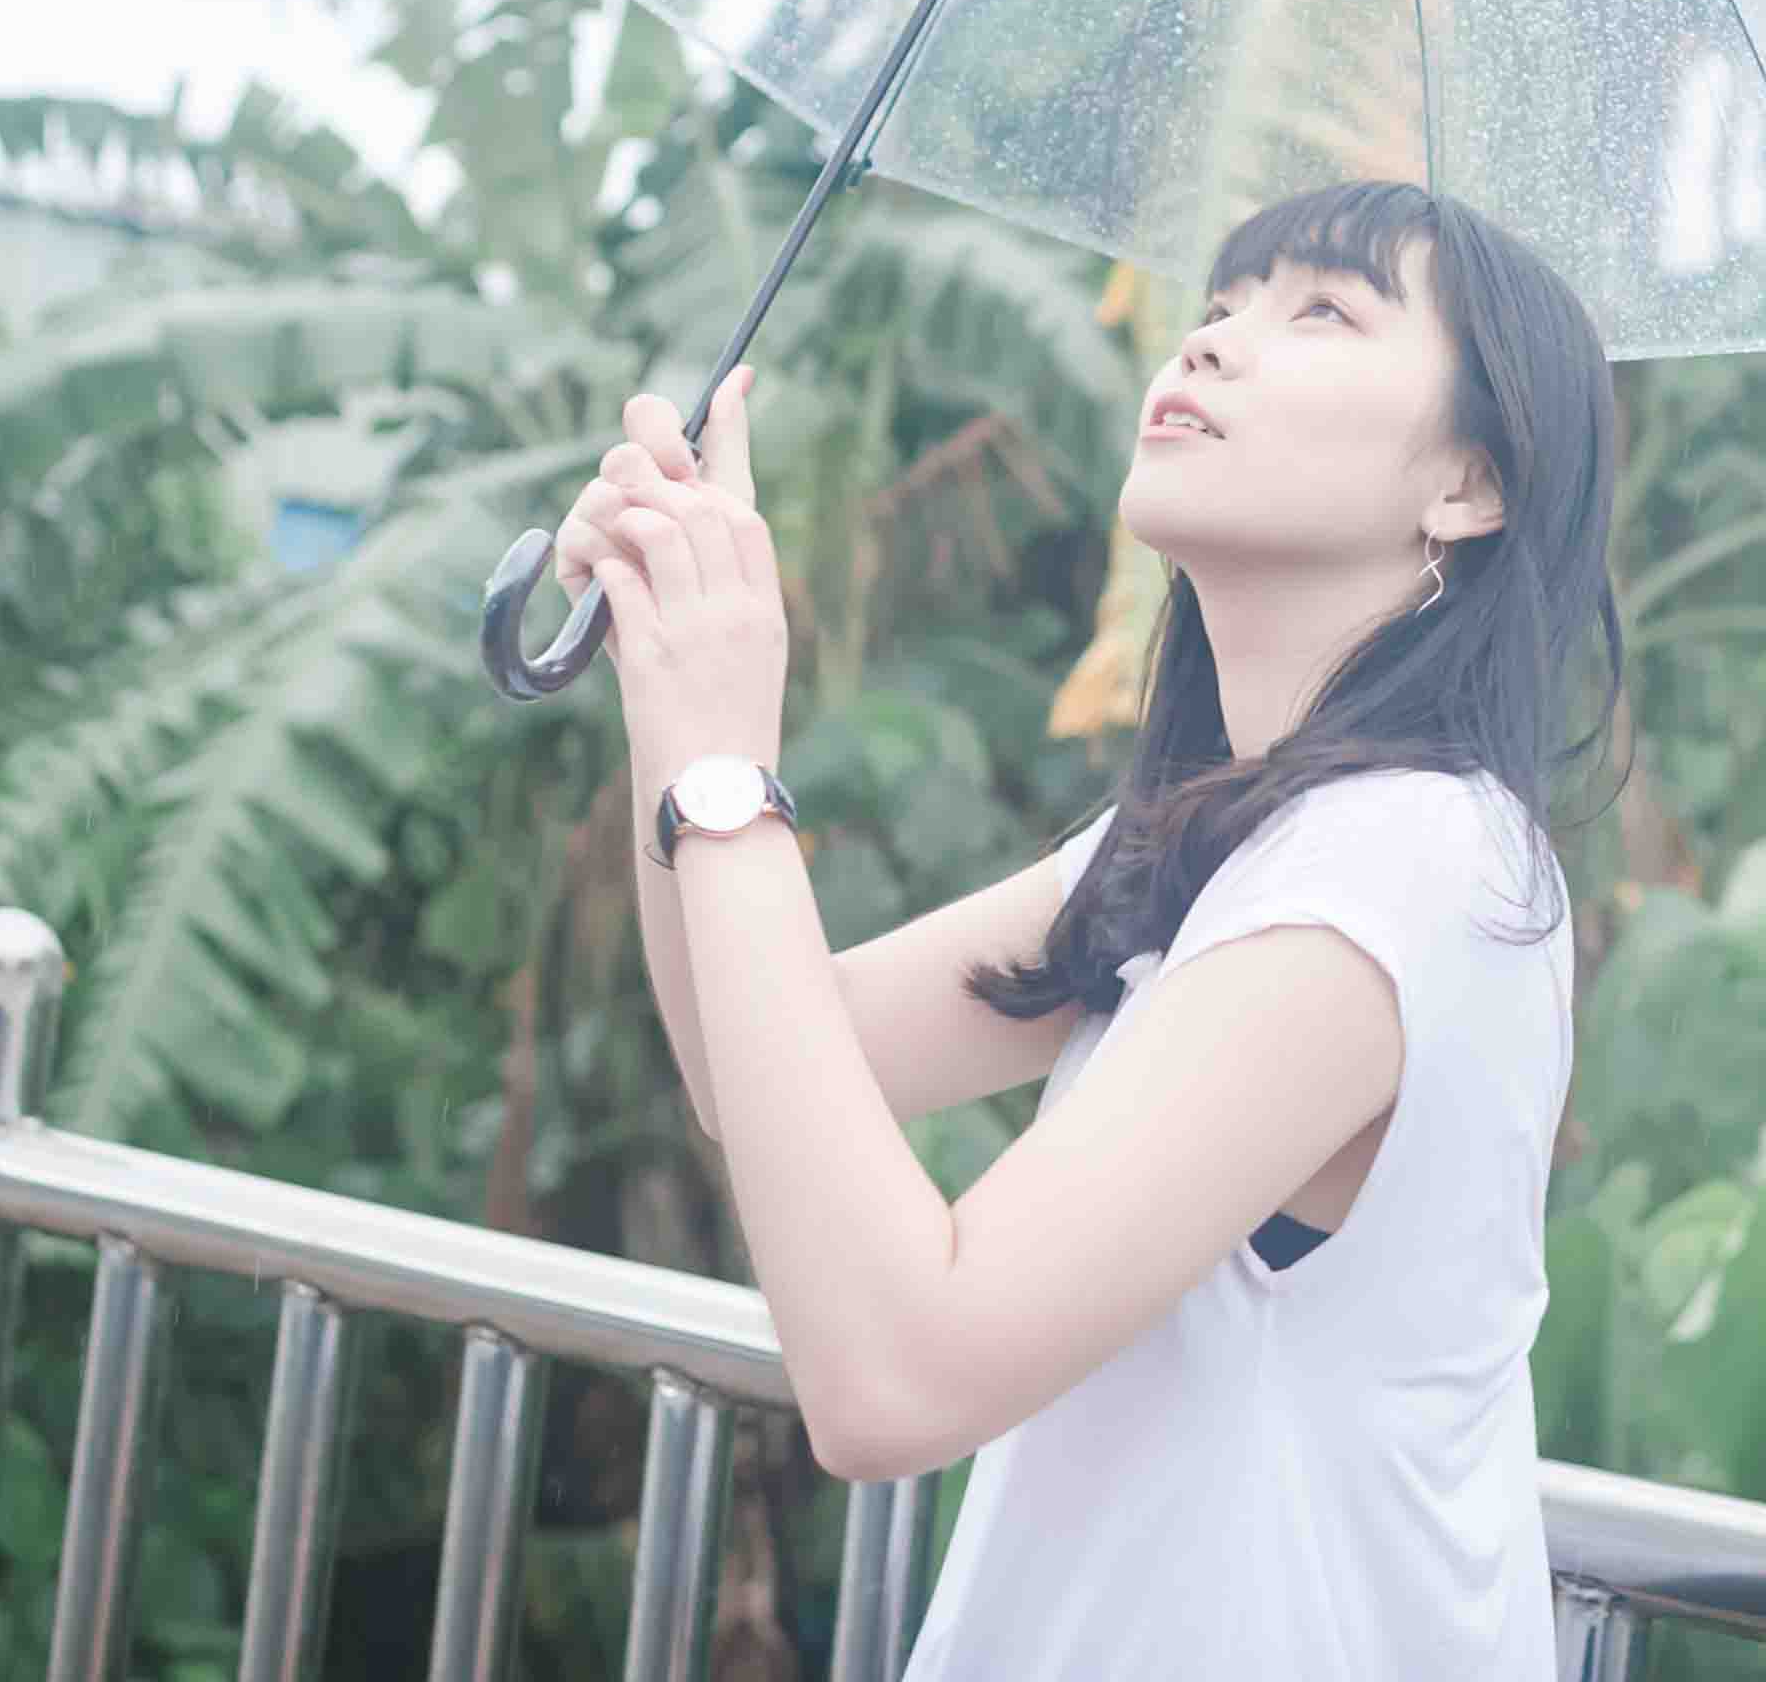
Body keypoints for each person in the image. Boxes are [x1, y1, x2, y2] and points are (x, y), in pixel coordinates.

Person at [559, 177, 1618, 1680]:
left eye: (1323, 311)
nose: (1213, 341)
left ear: (1470, 483)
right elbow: (760, 1063)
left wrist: (728, 775)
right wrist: (673, 688)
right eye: (1223, 303)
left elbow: (895, 1380)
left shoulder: (1411, 858)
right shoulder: (1211, 843)